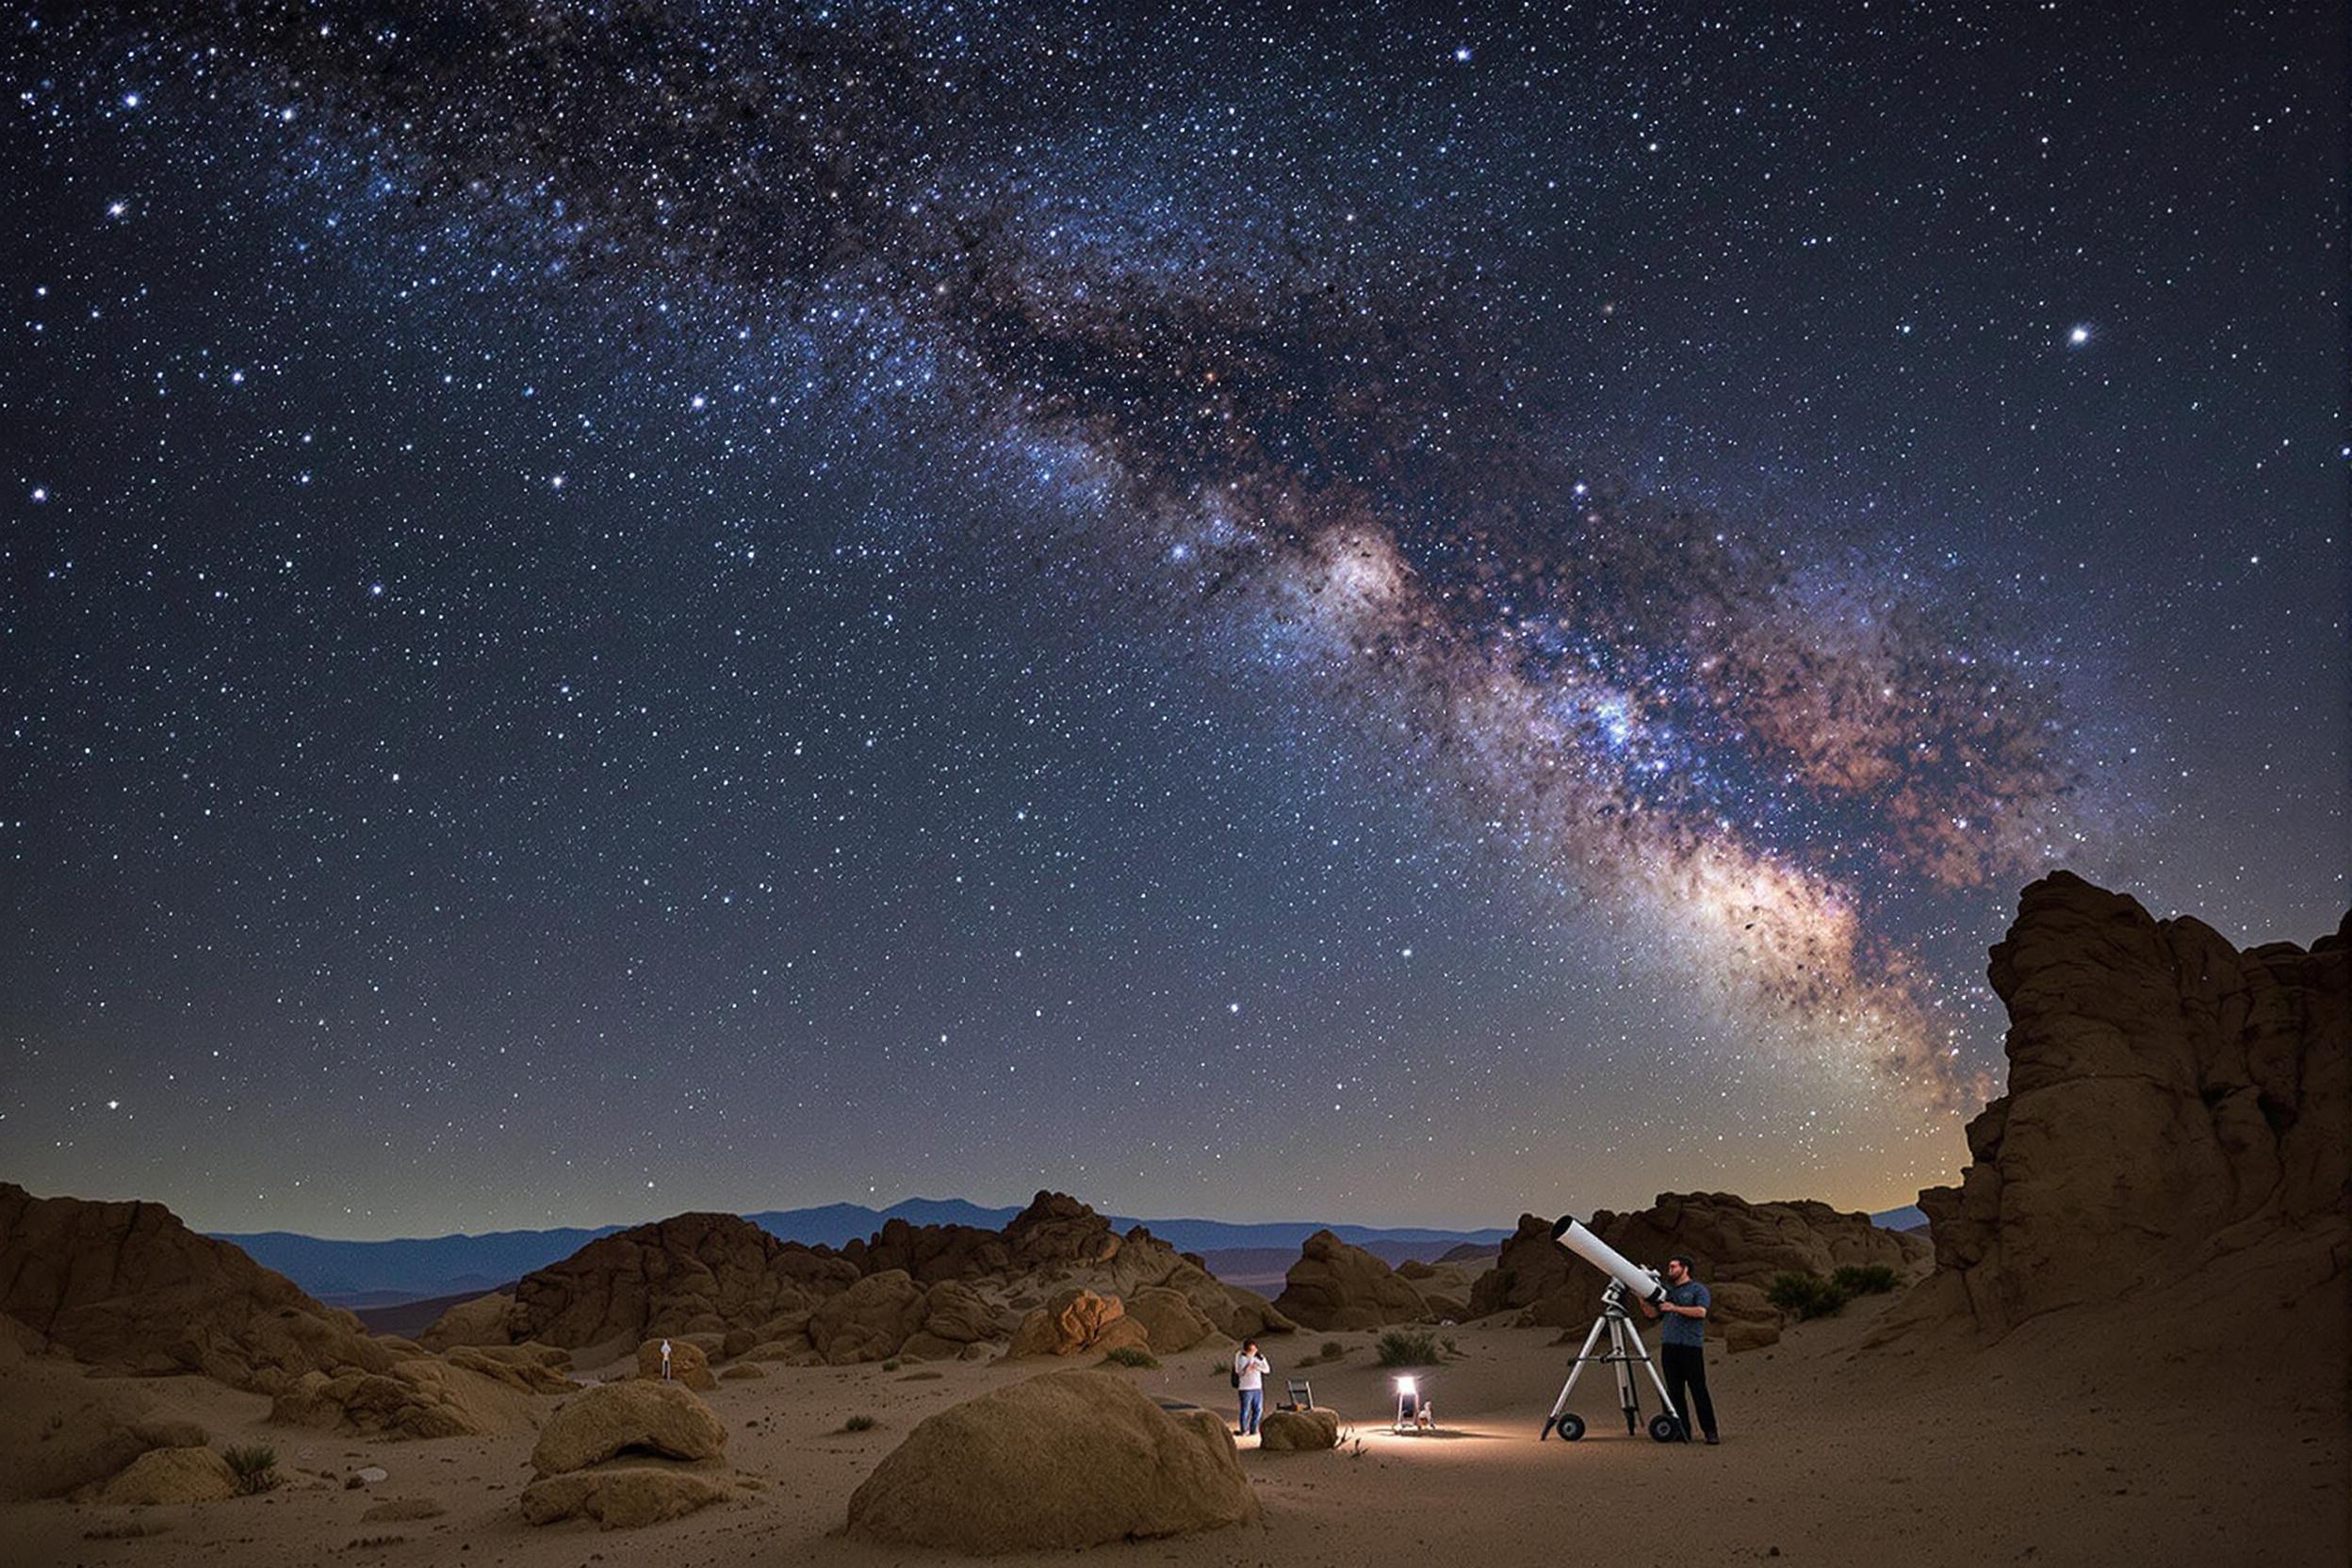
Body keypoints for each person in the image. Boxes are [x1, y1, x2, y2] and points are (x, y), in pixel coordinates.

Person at [1639, 1254, 1719, 1444]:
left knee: (1698, 1390)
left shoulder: (1698, 1289)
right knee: (1674, 1392)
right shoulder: (1667, 1291)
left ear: (1685, 1269)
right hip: (1669, 1348)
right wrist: (1642, 1299)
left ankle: (1710, 1431)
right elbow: (1652, 1313)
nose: (1670, 1270)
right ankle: (1681, 1431)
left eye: (1673, 1267)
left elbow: (1701, 1312)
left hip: (1691, 1348)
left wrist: (1674, 1308)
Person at [1233, 1339, 1271, 1437]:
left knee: (1258, 1409)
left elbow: (1267, 1370)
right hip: (1245, 1388)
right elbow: (1238, 1372)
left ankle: (1253, 1429)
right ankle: (1244, 1430)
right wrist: (1248, 1368)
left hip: (1257, 1387)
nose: (1254, 1351)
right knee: (1245, 1410)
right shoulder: (1240, 1357)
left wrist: (1258, 1365)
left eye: (1255, 1349)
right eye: (1252, 1350)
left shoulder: (1259, 1357)